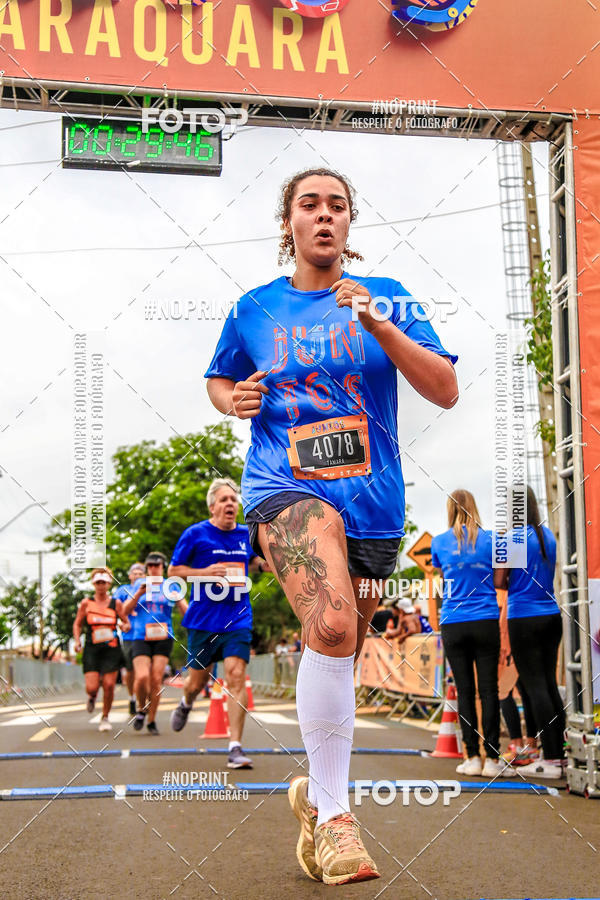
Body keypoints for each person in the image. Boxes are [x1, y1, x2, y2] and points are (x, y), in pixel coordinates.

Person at [205, 168, 458, 884]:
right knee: (336, 622)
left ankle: (316, 799)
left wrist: (378, 323)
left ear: (350, 224)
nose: (324, 217)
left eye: (337, 207)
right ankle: (341, 820)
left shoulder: (389, 298)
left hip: (373, 507)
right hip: (285, 488)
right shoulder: (254, 309)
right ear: (286, 222)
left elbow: (443, 387)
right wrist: (235, 400)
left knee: (337, 650)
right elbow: (220, 378)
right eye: (309, 205)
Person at [168, 478, 267, 768]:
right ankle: (186, 701)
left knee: (236, 676)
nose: (230, 504)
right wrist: (205, 572)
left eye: (234, 500)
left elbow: (251, 563)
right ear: (212, 506)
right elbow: (175, 571)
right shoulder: (195, 534)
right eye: (224, 500)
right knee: (196, 682)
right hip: (203, 622)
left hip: (237, 618)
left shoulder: (245, 534)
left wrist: (265, 565)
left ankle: (235, 746)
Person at [431, 490, 514, 778]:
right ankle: (493, 758)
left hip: (453, 621)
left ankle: (472, 757)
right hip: (485, 619)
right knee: (489, 689)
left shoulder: (438, 542)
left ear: (449, 510)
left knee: (465, 690)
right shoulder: (491, 539)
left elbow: (442, 575)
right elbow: (502, 575)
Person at [494, 486, 566, 779]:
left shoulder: (512, 539)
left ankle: (549, 759)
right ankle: (558, 754)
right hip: (551, 614)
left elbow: (500, 580)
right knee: (548, 684)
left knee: (535, 687)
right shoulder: (546, 535)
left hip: (523, 616)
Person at [122, 552, 188, 735]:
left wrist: (179, 598)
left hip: (163, 637)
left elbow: (187, 613)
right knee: (141, 677)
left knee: (155, 681)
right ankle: (141, 709)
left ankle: (151, 720)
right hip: (141, 636)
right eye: (149, 565)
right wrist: (139, 593)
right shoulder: (138, 585)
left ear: (163, 566)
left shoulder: (171, 585)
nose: (153, 568)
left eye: (156, 565)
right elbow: (125, 610)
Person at [73, 567, 129, 732]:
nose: (101, 585)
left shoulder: (116, 603)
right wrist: (77, 641)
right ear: (93, 584)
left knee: (109, 684)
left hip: (111, 648)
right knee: (91, 687)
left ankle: (105, 716)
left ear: (109, 583)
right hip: (92, 647)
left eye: (103, 582)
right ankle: (92, 696)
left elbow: (127, 623)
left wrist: (124, 626)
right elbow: (77, 623)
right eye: (98, 582)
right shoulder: (86, 603)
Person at [113, 562, 146, 716]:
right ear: (130, 575)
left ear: (145, 575)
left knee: (145, 672)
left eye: (141, 573)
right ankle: (132, 698)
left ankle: (144, 702)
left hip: (146, 635)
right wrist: (120, 623)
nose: (138, 576)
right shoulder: (122, 590)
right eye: (135, 573)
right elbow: (114, 610)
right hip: (129, 636)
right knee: (131, 670)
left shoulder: (150, 588)